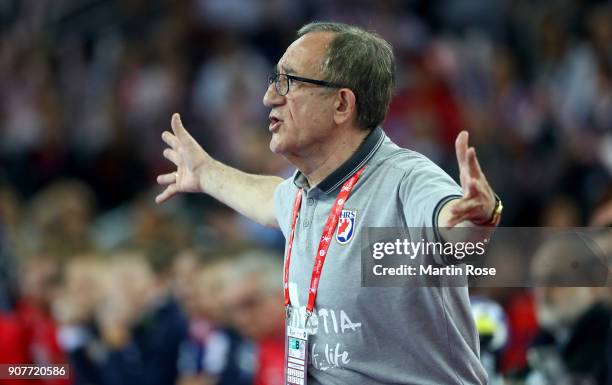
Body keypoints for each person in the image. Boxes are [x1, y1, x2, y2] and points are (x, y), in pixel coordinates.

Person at [156, 22, 501, 384]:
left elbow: (455, 228)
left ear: (341, 104)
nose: (270, 97)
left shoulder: (406, 178)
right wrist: (206, 172)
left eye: (289, 82)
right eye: (274, 80)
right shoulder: (308, 191)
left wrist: (480, 217)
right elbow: (267, 198)